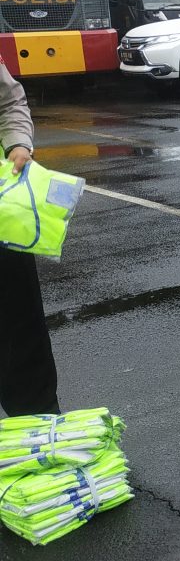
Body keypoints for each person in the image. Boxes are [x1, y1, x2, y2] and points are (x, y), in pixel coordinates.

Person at [1, 54, 61, 418]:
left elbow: (9, 101)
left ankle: (41, 432)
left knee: (20, 333)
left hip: (3, 220)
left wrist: (18, 143)